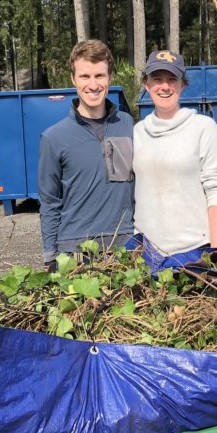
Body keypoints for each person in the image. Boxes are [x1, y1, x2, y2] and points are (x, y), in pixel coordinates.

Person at [38, 40, 135, 271]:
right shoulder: (54, 137)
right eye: (85, 76)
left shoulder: (127, 125)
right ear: (73, 79)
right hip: (75, 251)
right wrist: (50, 256)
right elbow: (49, 202)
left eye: (100, 75)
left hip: (125, 246)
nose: (93, 85)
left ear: (110, 77)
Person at [133, 50, 217, 262]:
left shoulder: (203, 128)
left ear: (182, 84)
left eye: (172, 79)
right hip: (146, 251)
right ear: (147, 84)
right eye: (157, 79)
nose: (165, 86)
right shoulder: (137, 132)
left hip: (193, 250)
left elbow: (215, 189)